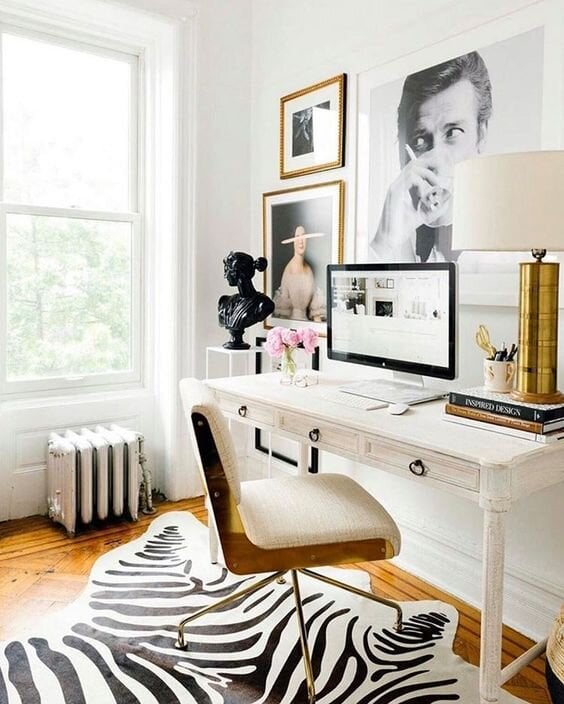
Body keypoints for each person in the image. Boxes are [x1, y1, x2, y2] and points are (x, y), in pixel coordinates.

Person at [370, 51, 492, 262]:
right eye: (419, 141)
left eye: (453, 132)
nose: (435, 161)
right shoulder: (389, 242)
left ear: (481, 134)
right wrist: (384, 243)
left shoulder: (511, 255)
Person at [218, 251, 274, 349]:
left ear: (238, 273)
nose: (225, 276)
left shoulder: (263, 304)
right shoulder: (225, 302)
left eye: (227, 271)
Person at [273, 225, 326, 321]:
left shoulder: (309, 270)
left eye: (304, 237)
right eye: (297, 237)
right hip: (291, 326)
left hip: (308, 326)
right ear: (293, 241)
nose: (301, 241)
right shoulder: (289, 271)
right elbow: (282, 315)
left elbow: (316, 312)